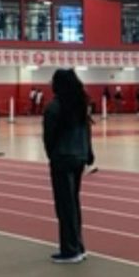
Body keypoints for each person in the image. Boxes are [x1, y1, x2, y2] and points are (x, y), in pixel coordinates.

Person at [43, 68, 92, 263]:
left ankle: (70, 250)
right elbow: (87, 131)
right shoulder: (81, 104)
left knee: (64, 205)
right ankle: (78, 245)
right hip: (78, 157)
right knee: (73, 203)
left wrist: (52, 155)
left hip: (62, 158)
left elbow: (49, 137)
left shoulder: (54, 107)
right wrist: (88, 153)